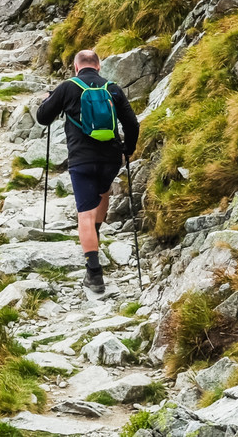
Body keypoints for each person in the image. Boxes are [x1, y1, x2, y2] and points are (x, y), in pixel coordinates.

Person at [36, 50, 139, 294]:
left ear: (76, 67)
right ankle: (94, 237)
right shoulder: (112, 88)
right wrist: (128, 149)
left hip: (82, 159)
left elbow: (43, 118)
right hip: (111, 158)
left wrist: (49, 99)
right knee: (103, 194)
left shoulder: (68, 87)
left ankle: (94, 272)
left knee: (84, 213)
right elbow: (132, 123)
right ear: (99, 66)